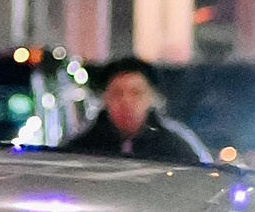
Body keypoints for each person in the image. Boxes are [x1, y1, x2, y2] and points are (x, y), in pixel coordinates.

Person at [62, 63, 209, 166]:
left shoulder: (175, 148)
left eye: (136, 93)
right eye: (117, 93)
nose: (126, 101)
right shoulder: (82, 148)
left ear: (151, 98)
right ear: (105, 99)